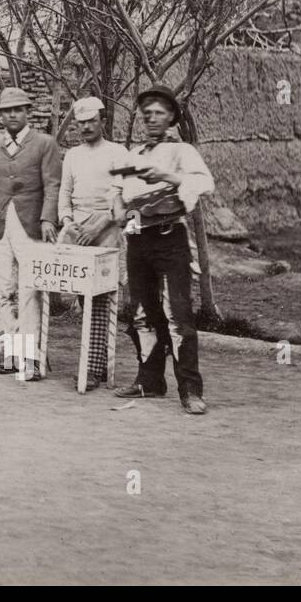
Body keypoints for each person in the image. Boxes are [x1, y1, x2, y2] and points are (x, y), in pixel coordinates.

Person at [113, 83, 215, 415]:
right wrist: (122, 216)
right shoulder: (135, 154)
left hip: (171, 239)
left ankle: (190, 389)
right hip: (139, 239)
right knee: (142, 314)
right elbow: (124, 197)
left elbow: (204, 184)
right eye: (147, 113)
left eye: (159, 113)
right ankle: (149, 380)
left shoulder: (182, 151)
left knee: (178, 317)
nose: (152, 118)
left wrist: (167, 175)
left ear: (171, 117)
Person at [0, 86, 62, 380]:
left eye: (18, 109)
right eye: (7, 110)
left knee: (29, 290)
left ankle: (31, 356)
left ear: (27, 112)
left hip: (31, 225)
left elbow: (52, 185)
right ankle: (12, 351)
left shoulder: (44, 144)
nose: (12, 115)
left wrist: (49, 219)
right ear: (0, 115)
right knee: (5, 289)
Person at [58, 95, 129, 389]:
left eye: (91, 121)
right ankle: (91, 363)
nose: (86, 127)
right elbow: (65, 191)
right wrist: (66, 220)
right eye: (81, 122)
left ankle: (96, 366)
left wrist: (102, 223)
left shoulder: (117, 153)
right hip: (77, 230)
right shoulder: (73, 156)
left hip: (107, 229)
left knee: (101, 299)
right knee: (71, 296)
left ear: (103, 121)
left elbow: (123, 196)